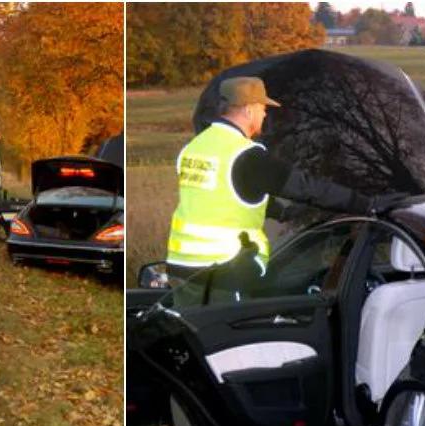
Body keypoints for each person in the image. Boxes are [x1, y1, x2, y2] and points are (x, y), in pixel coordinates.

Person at [166, 76, 398, 283]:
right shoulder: (246, 155)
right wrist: (367, 204)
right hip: (224, 268)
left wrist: (282, 212)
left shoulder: (193, 147)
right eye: (262, 109)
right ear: (248, 110)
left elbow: (219, 196)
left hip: (181, 267)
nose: (265, 114)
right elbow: (308, 187)